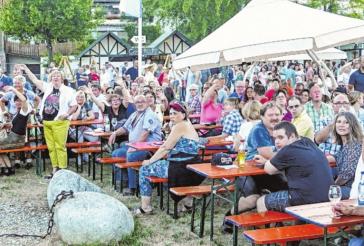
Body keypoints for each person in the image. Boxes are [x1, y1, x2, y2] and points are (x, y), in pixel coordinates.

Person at [135, 100, 204, 215]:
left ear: (183, 114)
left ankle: (145, 207)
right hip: (191, 166)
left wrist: (150, 161)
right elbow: (175, 144)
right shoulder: (187, 124)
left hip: (181, 168)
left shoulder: (180, 126)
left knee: (144, 170)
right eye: (171, 113)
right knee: (158, 164)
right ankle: (187, 204)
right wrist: (169, 131)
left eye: (175, 113)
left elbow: (165, 148)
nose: (172, 116)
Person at [254, 121, 333, 212]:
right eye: (275, 138)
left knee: (261, 201)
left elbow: (269, 170)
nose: (276, 142)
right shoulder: (307, 142)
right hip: (327, 196)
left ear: (291, 136)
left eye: (281, 137)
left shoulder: (288, 149)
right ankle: (297, 225)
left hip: (306, 199)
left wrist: (266, 162)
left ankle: (272, 226)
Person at [19, 64, 77, 178]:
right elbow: (35, 80)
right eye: (53, 76)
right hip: (47, 122)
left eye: (58, 75)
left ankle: (63, 170)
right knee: (51, 147)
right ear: (51, 78)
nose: (55, 77)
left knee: (60, 146)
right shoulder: (48, 87)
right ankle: (55, 169)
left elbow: (74, 106)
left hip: (60, 122)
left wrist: (66, 114)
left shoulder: (68, 90)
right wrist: (26, 70)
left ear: (62, 78)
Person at [109, 95, 162, 195]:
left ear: (146, 103)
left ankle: (132, 187)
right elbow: (125, 128)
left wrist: (134, 147)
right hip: (136, 146)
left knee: (131, 156)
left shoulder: (149, 114)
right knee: (116, 153)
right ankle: (122, 181)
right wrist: (115, 133)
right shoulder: (134, 114)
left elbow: (145, 133)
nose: (140, 104)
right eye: (137, 102)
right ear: (134, 103)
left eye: (142, 101)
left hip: (149, 148)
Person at [326, 112, 363, 199]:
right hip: (346, 186)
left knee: (322, 193)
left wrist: (333, 187)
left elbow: (346, 174)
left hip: (353, 189)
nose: (341, 125)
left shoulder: (353, 145)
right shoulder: (345, 145)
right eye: (338, 122)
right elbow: (336, 157)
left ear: (352, 126)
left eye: (346, 122)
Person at [0, 87, 32, 175]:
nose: (18, 102)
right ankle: (8, 168)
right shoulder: (17, 113)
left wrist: (13, 90)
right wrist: (7, 125)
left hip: (17, 140)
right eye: (16, 101)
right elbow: (16, 126)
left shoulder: (24, 110)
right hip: (14, 138)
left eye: (19, 100)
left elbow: (24, 99)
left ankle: (5, 168)